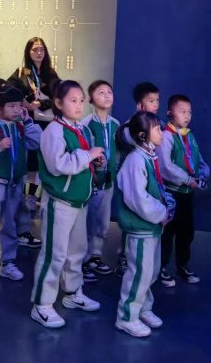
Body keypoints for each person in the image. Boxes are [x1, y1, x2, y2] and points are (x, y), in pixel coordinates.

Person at [30, 80, 104, 328]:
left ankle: (72, 292)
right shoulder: (54, 131)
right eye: (73, 100)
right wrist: (88, 155)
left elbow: (81, 161)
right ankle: (42, 304)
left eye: (81, 100)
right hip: (59, 203)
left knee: (76, 251)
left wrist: (95, 161)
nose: (79, 105)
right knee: (54, 253)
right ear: (59, 103)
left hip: (78, 202)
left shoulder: (81, 129)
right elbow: (57, 165)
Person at [0, 85, 42, 288]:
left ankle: (7, 262)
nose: (16, 110)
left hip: (15, 184)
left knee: (10, 225)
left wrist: (28, 123)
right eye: (11, 106)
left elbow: (38, 143)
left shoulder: (20, 127)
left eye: (19, 106)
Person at [114, 111, 170, 338]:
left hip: (151, 228)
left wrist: (166, 208)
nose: (162, 132)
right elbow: (137, 198)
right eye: (157, 129)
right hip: (140, 228)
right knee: (139, 273)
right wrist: (161, 213)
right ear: (142, 135)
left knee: (150, 272)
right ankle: (127, 317)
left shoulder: (149, 157)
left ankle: (143, 308)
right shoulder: (135, 160)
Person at [8, 37, 60, 249]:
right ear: (28, 52)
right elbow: (9, 92)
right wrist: (27, 105)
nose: (38, 52)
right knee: (28, 170)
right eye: (34, 49)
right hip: (29, 126)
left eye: (41, 49)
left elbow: (60, 96)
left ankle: (41, 227)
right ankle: (22, 229)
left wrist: (44, 103)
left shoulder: (51, 74)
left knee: (44, 169)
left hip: (48, 126)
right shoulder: (21, 73)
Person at [158, 94, 210, 287]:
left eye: (189, 112)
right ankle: (161, 267)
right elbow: (165, 166)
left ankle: (182, 265)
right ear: (170, 113)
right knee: (167, 232)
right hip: (172, 193)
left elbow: (198, 159)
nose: (187, 116)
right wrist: (188, 180)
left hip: (188, 194)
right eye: (182, 112)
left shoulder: (189, 136)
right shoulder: (167, 136)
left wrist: (204, 173)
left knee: (186, 232)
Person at [116, 81, 161, 277]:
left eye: (157, 100)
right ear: (139, 105)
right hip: (132, 182)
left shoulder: (152, 126)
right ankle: (124, 259)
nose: (156, 105)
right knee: (132, 220)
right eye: (151, 101)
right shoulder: (129, 129)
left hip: (146, 181)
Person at [80, 80, 120, 280]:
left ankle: (95, 256)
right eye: (101, 92)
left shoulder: (116, 124)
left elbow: (117, 153)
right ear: (90, 99)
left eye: (109, 92)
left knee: (103, 222)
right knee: (88, 220)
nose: (106, 95)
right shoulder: (86, 124)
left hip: (108, 181)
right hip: (92, 181)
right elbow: (83, 150)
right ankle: (83, 260)